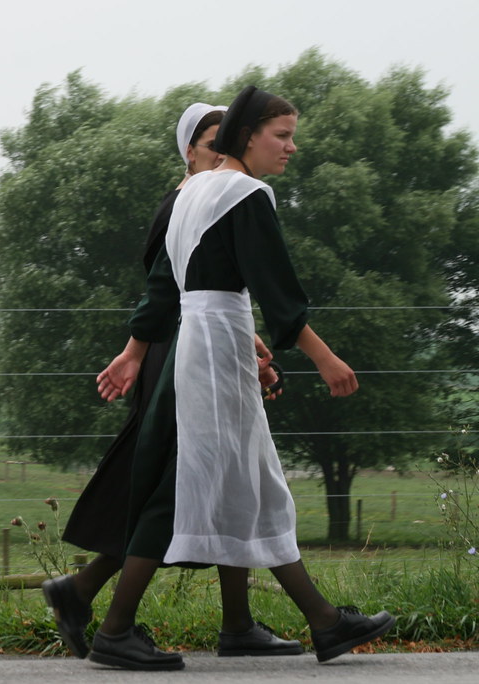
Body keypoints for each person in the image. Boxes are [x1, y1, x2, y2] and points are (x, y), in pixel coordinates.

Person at [87, 86, 395, 670]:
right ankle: (115, 629)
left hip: (193, 348)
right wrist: (324, 357)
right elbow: (276, 288)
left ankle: (323, 621)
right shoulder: (246, 193)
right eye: (281, 135)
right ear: (248, 135)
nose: (291, 147)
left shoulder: (192, 191)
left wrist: (133, 352)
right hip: (217, 349)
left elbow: (161, 291)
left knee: (250, 483)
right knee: (181, 490)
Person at [45, 103, 300, 664]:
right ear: (191, 149)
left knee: (214, 476)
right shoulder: (186, 203)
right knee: (179, 482)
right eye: (212, 143)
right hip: (180, 355)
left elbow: (220, 285)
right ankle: (108, 607)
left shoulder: (215, 196)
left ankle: (230, 620)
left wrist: (249, 345)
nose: (219, 154)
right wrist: (138, 350)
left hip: (200, 346)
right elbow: (172, 288)